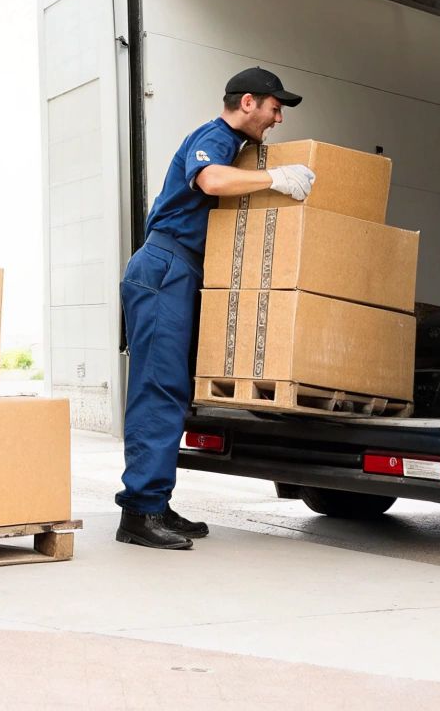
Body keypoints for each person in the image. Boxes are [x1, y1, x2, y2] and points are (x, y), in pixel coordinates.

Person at [115, 67, 315, 550]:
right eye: (274, 106)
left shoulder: (234, 146)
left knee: (175, 391)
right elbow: (209, 180)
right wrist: (276, 178)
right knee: (157, 388)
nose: (278, 118)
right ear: (248, 102)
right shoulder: (215, 136)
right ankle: (140, 512)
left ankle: (156, 503)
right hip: (165, 267)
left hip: (182, 274)